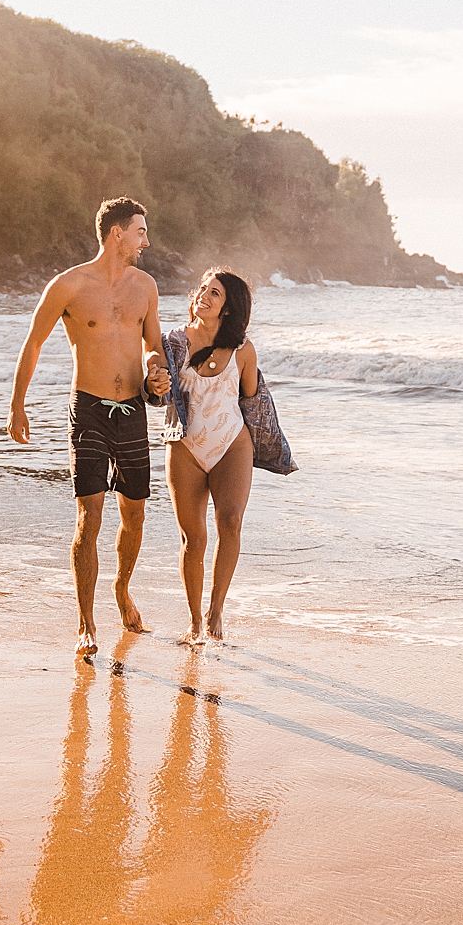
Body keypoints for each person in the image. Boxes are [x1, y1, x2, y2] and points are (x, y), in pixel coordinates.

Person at [9, 197, 172, 656]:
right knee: (91, 515)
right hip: (90, 410)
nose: (147, 240)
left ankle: (122, 589)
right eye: (140, 231)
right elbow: (34, 343)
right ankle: (86, 621)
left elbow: (154, 345)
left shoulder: (146, 286)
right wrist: (17, 405)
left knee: (135, 515)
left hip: (134, 408)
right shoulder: (68, 285)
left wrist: (156, 371)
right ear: (116, 233)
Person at [154, 267, 293, 644]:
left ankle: (216, 609)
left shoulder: (243, 351)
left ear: (228, 307)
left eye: (214, 293)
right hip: (185, 445)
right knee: (193, 539)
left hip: (232, 442)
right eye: (202, 289)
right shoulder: (173, 342)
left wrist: (270, 447)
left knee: (230, 522)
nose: (204, 295)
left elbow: (252, 400)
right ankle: (194, 619)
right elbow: (154, 389)